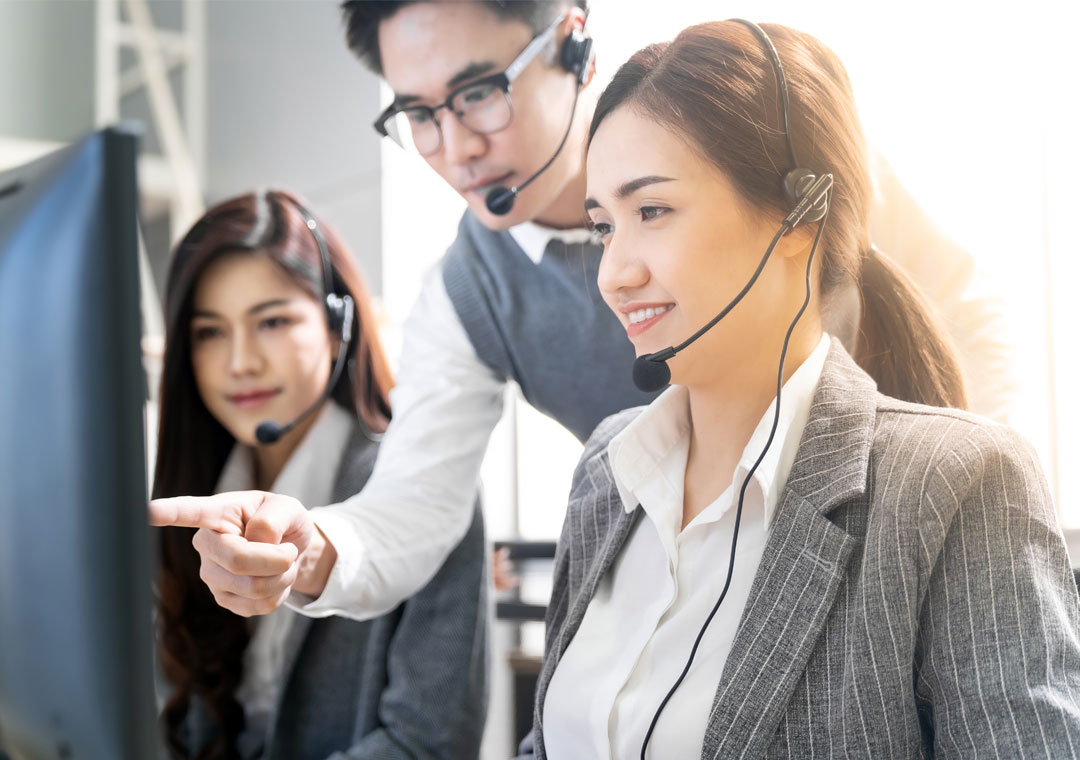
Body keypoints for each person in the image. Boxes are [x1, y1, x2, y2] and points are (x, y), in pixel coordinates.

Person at [149, 0, 1014, 628]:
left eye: (479, 91)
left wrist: (980, 526)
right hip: (699, 606)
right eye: (417, 113)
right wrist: (307, 545)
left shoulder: (747, 126)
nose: (453, 147)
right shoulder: (468, 287)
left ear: (574, 39)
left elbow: (957, 316)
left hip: (881, 568)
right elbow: (410, 506)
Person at [518, 21, 1080, 758]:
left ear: (799, 214)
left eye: (651, 211)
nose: (614, 273)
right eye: (603, 227)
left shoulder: (956, 484)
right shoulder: (606, 468)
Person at [153, 189, 487, 760]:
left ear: (338, 326)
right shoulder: (191, 496)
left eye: (272, 321)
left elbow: (429, 744)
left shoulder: (416, 491)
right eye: (210, 332)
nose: (241, 362)